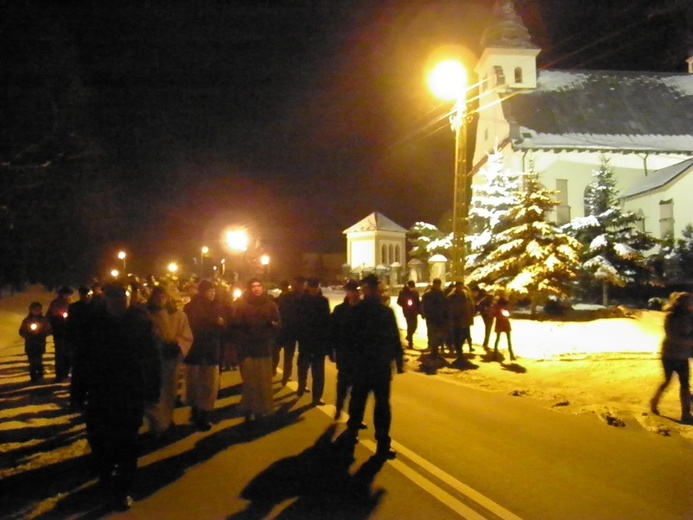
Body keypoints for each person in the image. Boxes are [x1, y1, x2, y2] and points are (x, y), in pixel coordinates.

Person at [79, 283, 161, 511]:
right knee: (100, 440)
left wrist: (152, 390)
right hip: (101, 391)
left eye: (121, 297)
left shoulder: (141, 323)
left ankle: (123, 489)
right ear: (106, 300)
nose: (118, 302)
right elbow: (82, 358)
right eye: (113, 298)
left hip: (130, 391)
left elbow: (152, 359)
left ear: (127, 298)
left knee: (127, 442)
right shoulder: (94, 323)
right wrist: (78, 391)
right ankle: (106, 481)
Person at [342, 274, 402, 460]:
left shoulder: (362, 311)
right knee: (378, 404)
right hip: (376, 364)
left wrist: (398, 360)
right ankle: (380, 442)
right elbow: (393, 339)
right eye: (374, 288)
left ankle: (355, 434)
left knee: (364, 401)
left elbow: (393, 338)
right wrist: (397, 360)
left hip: (368, 365)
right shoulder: (381, 312)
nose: (375, 291)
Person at [145, 285, 194, 439]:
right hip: (152, 359)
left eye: (164, 296)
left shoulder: (179, 316)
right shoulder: (147, 315)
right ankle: (156, 422)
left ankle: (166, 421)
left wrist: (177, 346)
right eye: (158, 296)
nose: (161, 299)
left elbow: (186, 336)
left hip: (170, 360)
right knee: (153, 392)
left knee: (169, 391)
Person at [235, 278, 281, 421]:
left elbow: (278, 323)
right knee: (250, 380)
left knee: (263, 380)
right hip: (248, 348)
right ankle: (249, 407)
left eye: (259, 286)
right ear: (249, 289)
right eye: (253, 286)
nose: (256, 289)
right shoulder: (242, 304)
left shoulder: (270, 305)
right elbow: (236, 324)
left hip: (264, 347)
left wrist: (273, 324)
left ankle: (262, 408)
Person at [183, 280, 224, 431]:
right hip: (200, 351)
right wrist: (215, 322)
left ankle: (200, 414)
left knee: (202, 384)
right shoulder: (193, 307)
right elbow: (194, 326)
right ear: (202, 292)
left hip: (204, 351)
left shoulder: (215, 306)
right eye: (209, 291)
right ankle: (199, 415)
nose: (212, 293)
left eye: (213, 290)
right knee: (201, 384)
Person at [650, 291, 693, 424]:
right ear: (683, 304)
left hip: (683, 355)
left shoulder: (689, 316)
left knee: (685, 384)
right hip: (670, 355)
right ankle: (654, 401)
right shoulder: (672, 317)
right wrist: (690, 341)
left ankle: (686, 413)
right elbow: (673, 337)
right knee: (667, 380)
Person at [296, 277, 331, 406]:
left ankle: (316, 397)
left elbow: (327, 321)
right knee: (303, 366)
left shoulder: (323, 301)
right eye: (312, 286)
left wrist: (327, 340)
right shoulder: (301, 301)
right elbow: (297, 320)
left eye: (316, 287)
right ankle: (301, 386)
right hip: (305, 339)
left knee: (318, 371)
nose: (314, 289)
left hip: (319, 340)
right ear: (308, 287)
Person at [330, 279, 361, 420]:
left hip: (361, 355)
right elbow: (332, 331)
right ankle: (339, 407)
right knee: (343, 382)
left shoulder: (364, 310)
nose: (354, 294)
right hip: (345, 353)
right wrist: (330, 350)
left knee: (358, 387)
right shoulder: (340, 310)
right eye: (351, 291)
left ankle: (355, 418)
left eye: (356, 291)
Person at [67, 286, 93, 409]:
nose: (86, 296)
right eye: (84, 294)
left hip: (88, 344)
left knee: (85, 373)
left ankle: (81, 399)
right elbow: (70, 326)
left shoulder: (94, 307)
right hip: (79, 344)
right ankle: (77, 400)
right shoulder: (75, 308)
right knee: (78, 374)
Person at [273, 279, 301, 385]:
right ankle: (282, 373)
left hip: (287, 330)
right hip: (284, 330)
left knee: (286, 355)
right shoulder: (282, 298)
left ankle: (285, 375)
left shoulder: (288, 298)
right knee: (280, 353)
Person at [18, 302, 53, 383]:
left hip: (40, 343)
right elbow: (22, 331)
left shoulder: (43, 320)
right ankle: (33, 376)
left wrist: (42, 333)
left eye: (38, 309)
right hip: (30, 343)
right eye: (35, 309)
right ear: (31, 310)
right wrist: (26, 334)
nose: (36, 311)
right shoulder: (27, 320)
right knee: (32, 360)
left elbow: (49, 330)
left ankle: (40, 375)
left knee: (39, 359)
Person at [46, 286, 74, 382]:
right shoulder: (55, 303)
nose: (68, 296)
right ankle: (59, 375)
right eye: (66, 294)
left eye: (69, 295)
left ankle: (66, 373)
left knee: (69, 354)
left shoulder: (71, 304)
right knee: (60, 354)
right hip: (59, 332)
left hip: (69, 332)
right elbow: (49, 316)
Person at [447, 281, 476, 358]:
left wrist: (472, 313)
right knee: (457, 336)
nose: (460, 288)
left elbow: (471, 305)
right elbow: (448, 308)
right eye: (458, 286)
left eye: (461, 286)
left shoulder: (466, 295)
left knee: (465, 335)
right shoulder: (451, 296)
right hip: (456, 320)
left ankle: (460, 350)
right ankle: (459, 351)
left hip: (465, 319)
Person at [421, 278, 448, 358]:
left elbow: (445, 305)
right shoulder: (428, 294)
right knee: (432, 333)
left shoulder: (442, 294)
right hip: (431, 317)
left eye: (439, 284)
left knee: (438, 333)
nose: (438, 286)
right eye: (437, 284)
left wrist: (445, 315)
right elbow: (424, 305)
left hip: (439, 317)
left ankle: (436, 349)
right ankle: (433, 349)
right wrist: (424, 314)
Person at [397, 280, 421, 349]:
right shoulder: (403, 292)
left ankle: (408, 336)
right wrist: (405, 305)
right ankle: (410, 342)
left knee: (414, 326)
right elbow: (399, 301)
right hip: (407, 312)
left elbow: (418, 302)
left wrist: (419, 310)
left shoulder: (415, 293)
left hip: (414, 312)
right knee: (410, 326)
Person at [492, 291, 515, 361]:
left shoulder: (501, 304)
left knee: (501, 338)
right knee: (503, 338)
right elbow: (495, 312)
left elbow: (509, 311)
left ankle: (497, 353)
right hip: (502, 322)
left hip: (502, 322)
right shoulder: (499, 304)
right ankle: (509, 354)